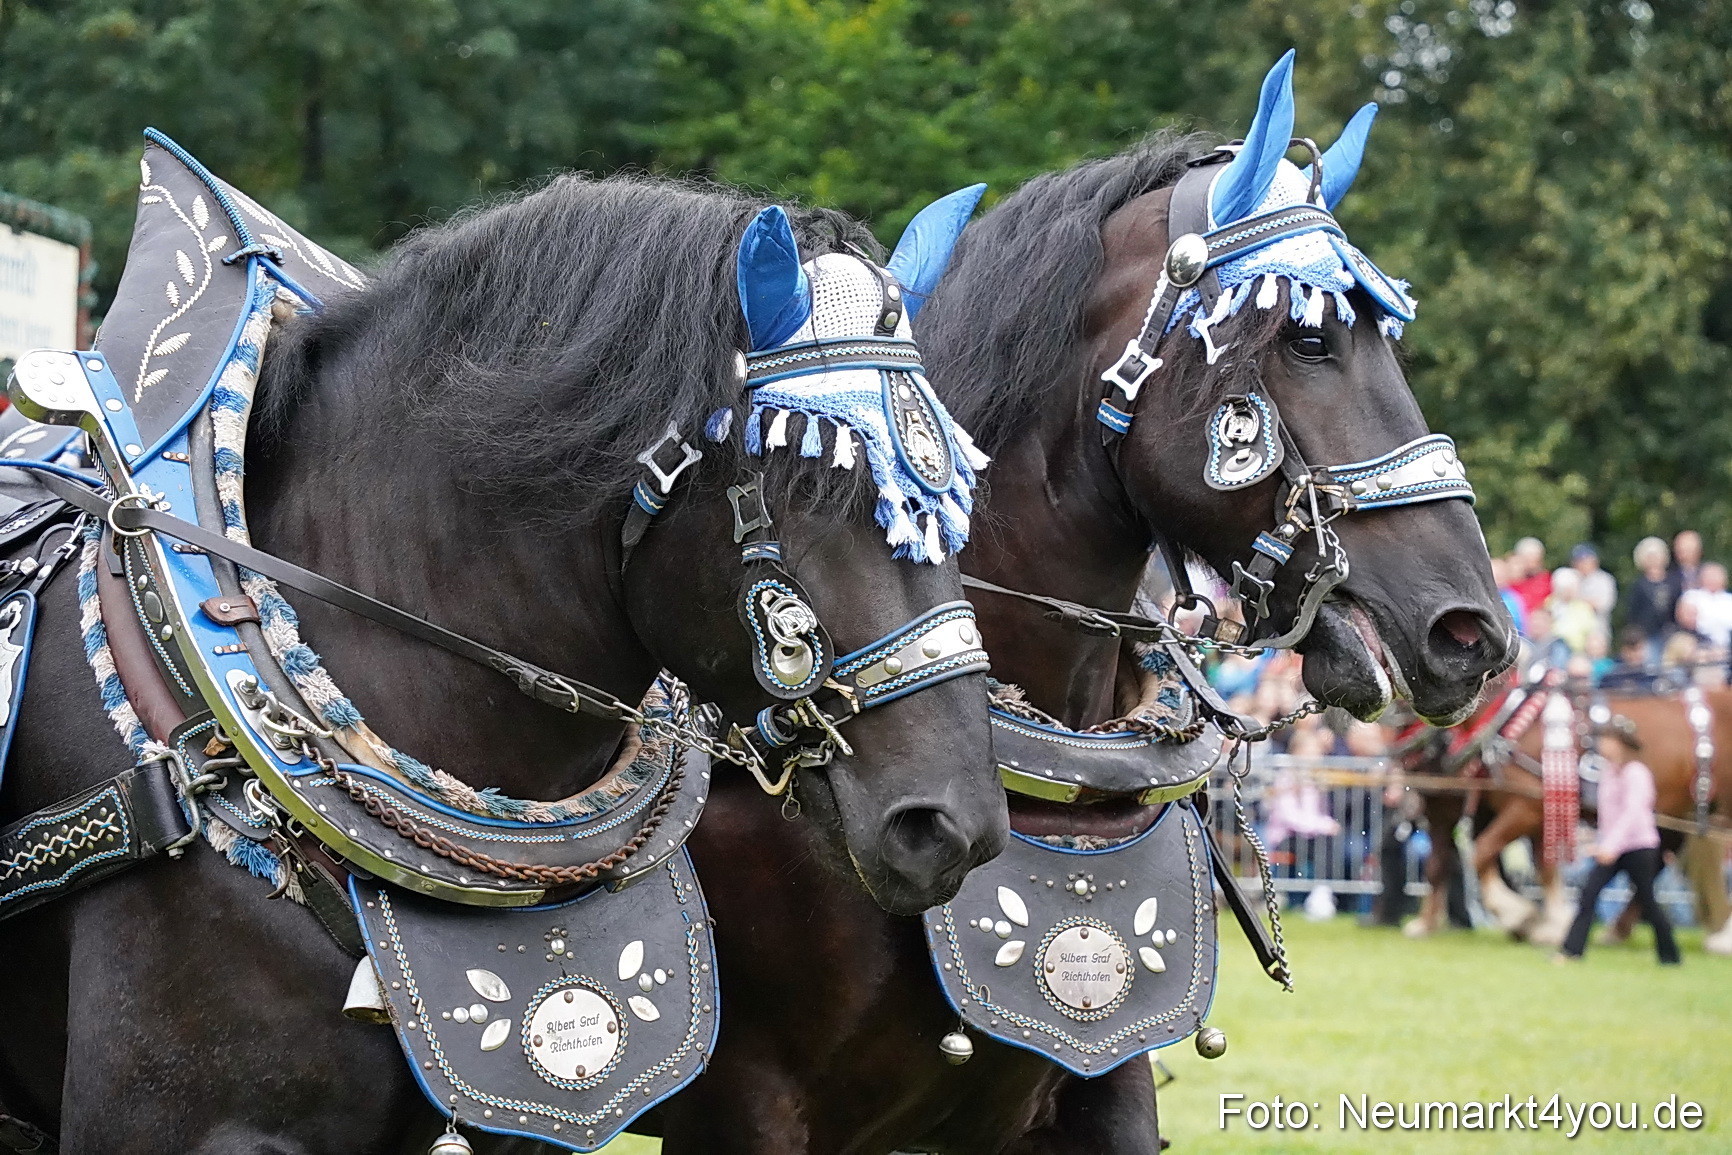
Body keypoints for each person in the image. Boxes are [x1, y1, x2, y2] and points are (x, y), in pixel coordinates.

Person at [1556, 716, 1680, 966]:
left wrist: (1610, 846)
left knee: (1647, 900)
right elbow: (1609, 816)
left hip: (1638, 846)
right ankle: (1571, 951)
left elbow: (1634, 813)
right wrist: (1601, 842)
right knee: (1588, 894)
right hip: (1612, 845)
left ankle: (1670, 954)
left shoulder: (1636, 773)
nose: (1602, 745)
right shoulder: (1609, 773)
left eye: (1607, 740)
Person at [1624, 536, 1676, 662]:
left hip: (1671, 633)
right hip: (1647, 635)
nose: (1654, 560)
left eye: (1656, 555)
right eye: (1649, 557)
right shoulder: (1638, 585)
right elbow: (1633, 613)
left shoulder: (1674, 581)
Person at [1679, 561, 1732, 656]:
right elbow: (1687, 620)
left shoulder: (1729, 599)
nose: (1712, 579)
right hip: (1699, 643)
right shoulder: (1692, 596)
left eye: (1716, 575)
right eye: (1709, 576)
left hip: (1728, 644)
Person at [1569, 544, 1617, 628]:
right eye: (1578, 561)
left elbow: (1603, 605)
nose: (1581, 564)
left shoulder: (1604, 580)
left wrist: (1577, 600)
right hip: (1573, 628)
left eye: (1585, 561)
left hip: (1597, 627)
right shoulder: (1570, 578)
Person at [1598, 626, 1657, 693]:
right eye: (1633, 650)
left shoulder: (1650, 678)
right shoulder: (1610, 678)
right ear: (1623, 650)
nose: (1637, 654)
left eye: (1640, 649)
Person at [1506, 537, 1551, 616]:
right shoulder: (1509, 583)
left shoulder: (1547, 581)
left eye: (1535, 557)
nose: (1532, 562)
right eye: (1528, 557)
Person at [1670, 530, 1704, 599]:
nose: (1683, 553)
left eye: (1689, 549)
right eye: (1681, 548)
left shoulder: (1708, 573)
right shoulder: (1668, 575)